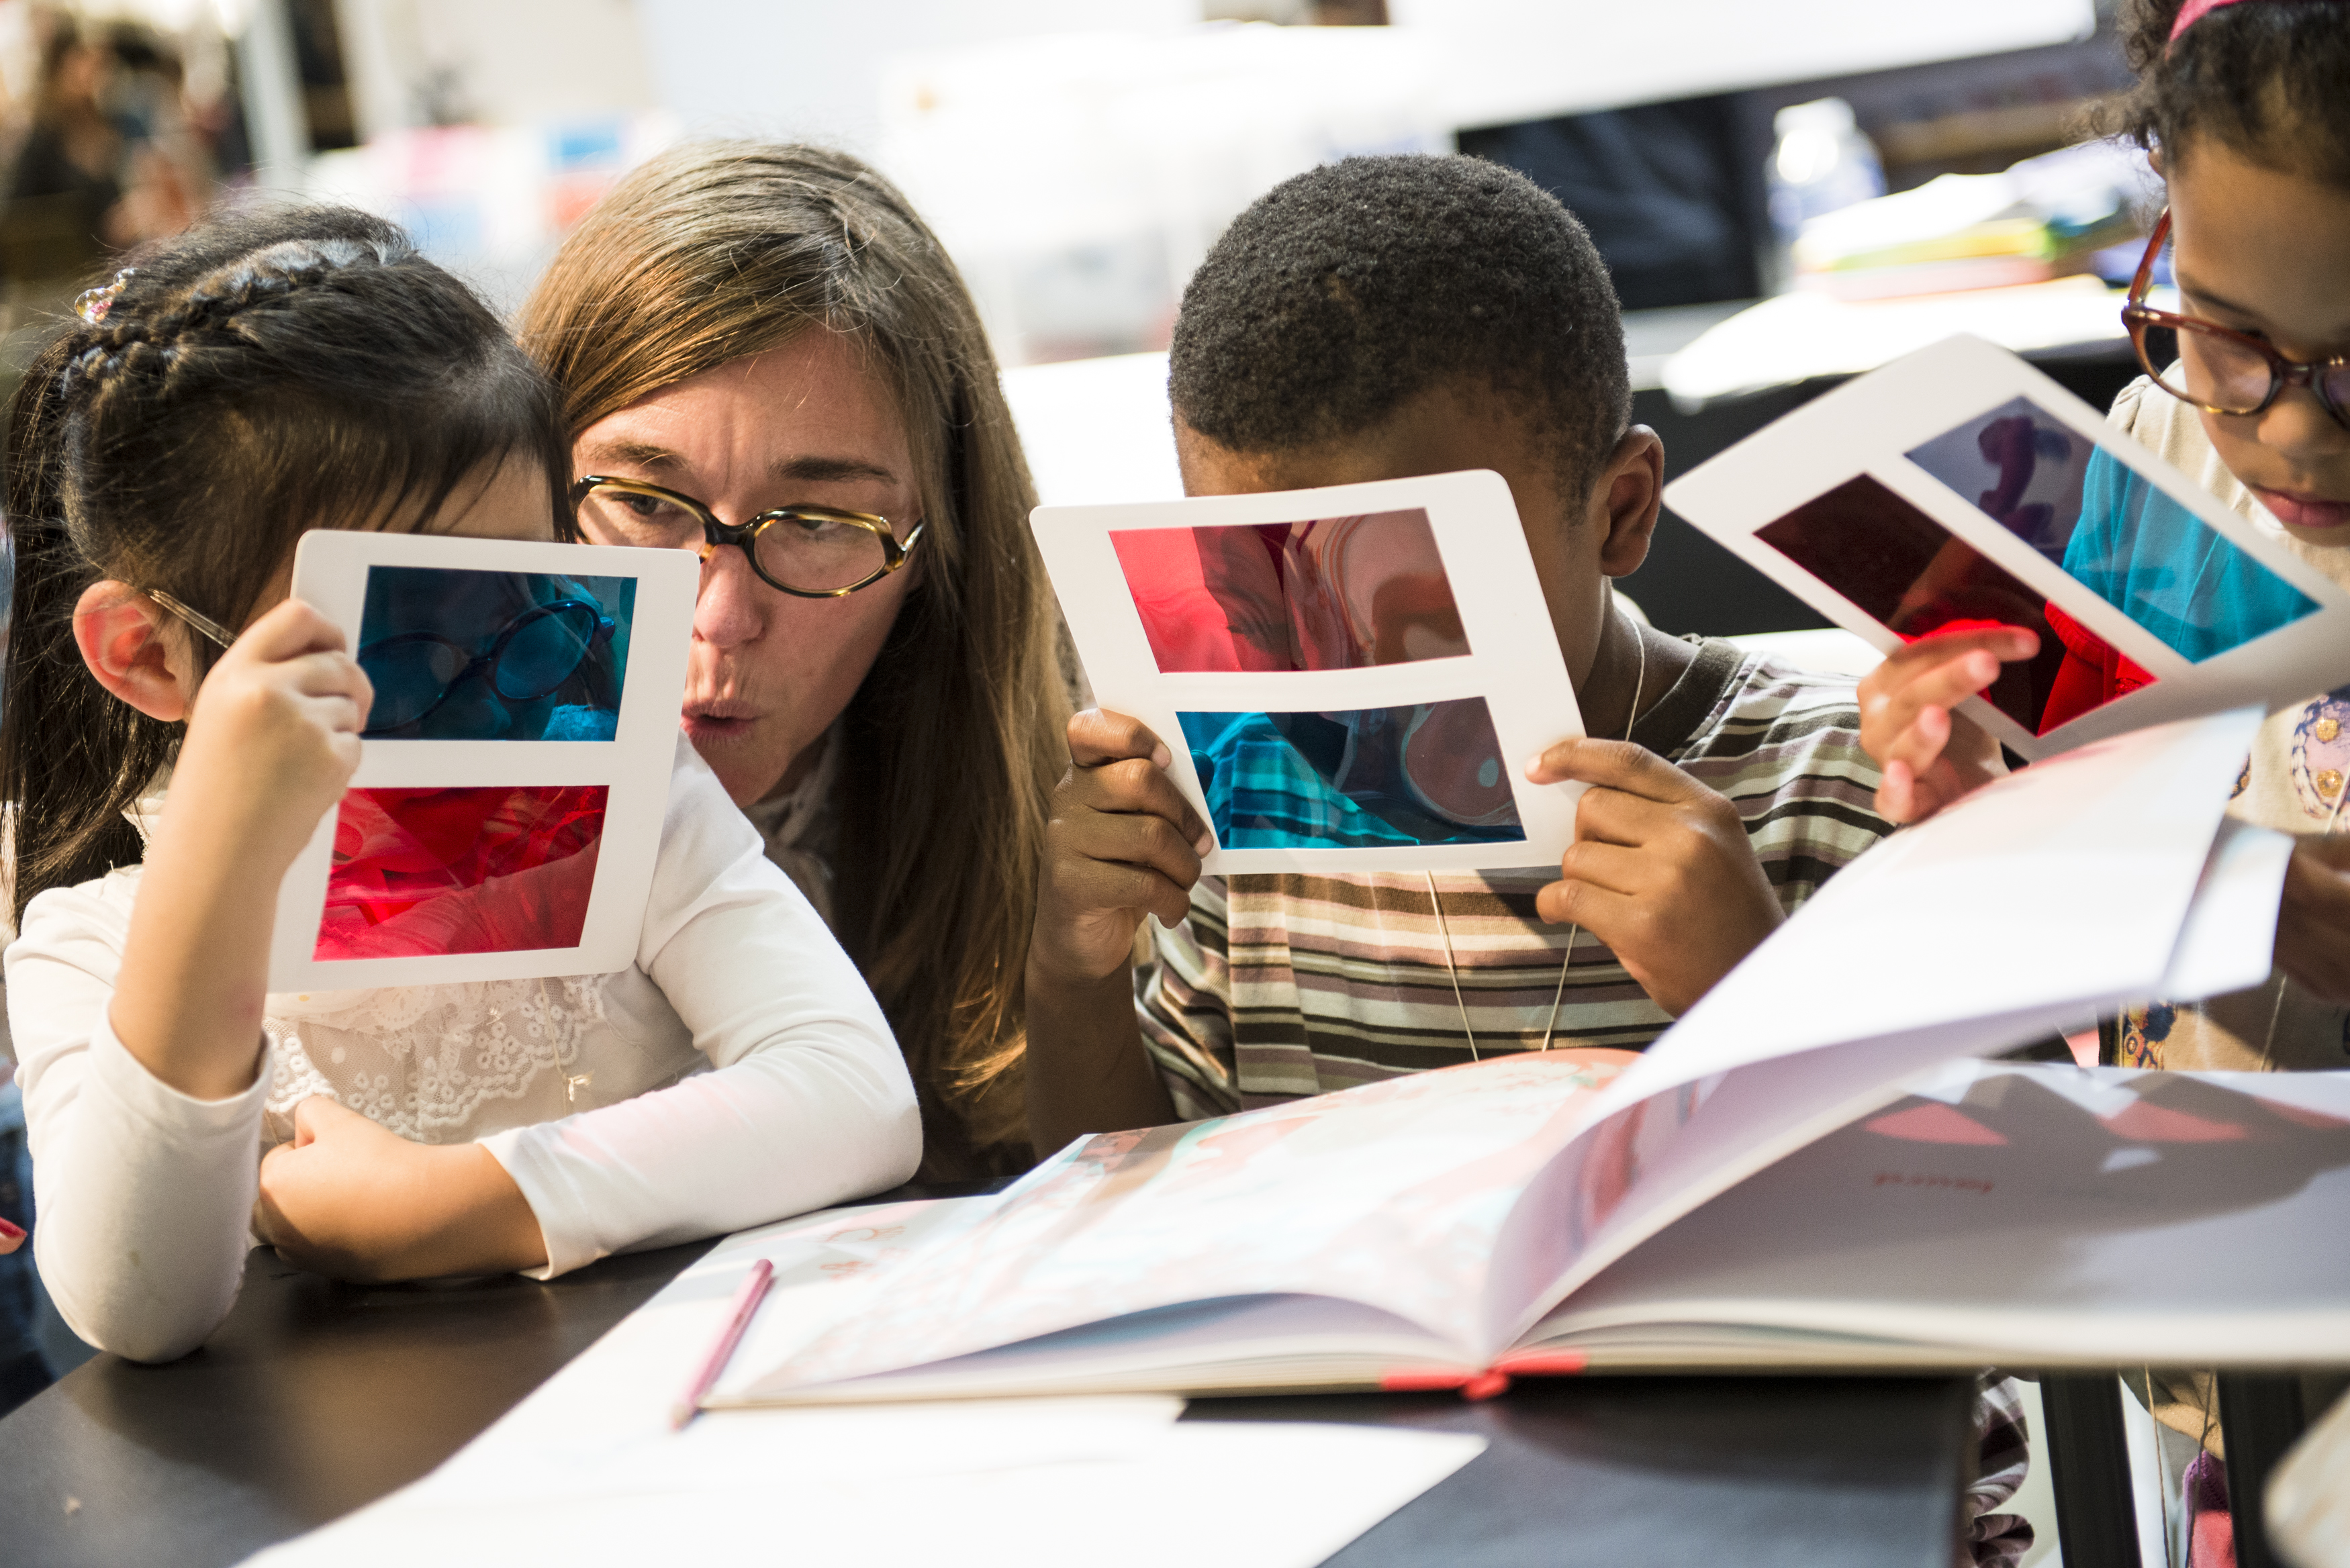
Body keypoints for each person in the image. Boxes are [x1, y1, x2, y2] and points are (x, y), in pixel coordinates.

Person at [0, 207, 919, 1363]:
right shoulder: (91, 947)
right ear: (147, 654)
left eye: (524, 602)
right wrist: (218, 871)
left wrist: (451, 1207)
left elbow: (856, 1095)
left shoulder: (628, 804)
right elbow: (138, 1306)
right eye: (398, 631)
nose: (485, 679)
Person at [1854, 0, 2350, 1553]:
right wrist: (1969, 805)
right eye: (2220, 332)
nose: (2288, 436)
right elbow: (2074, 856)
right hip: (2217, 1365)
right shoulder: (2160, 453)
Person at [519, 142, 1074, 1179]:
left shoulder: (1063, 811)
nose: (722, 615)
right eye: (643, 505)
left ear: (936, 557)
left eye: (819, 522)